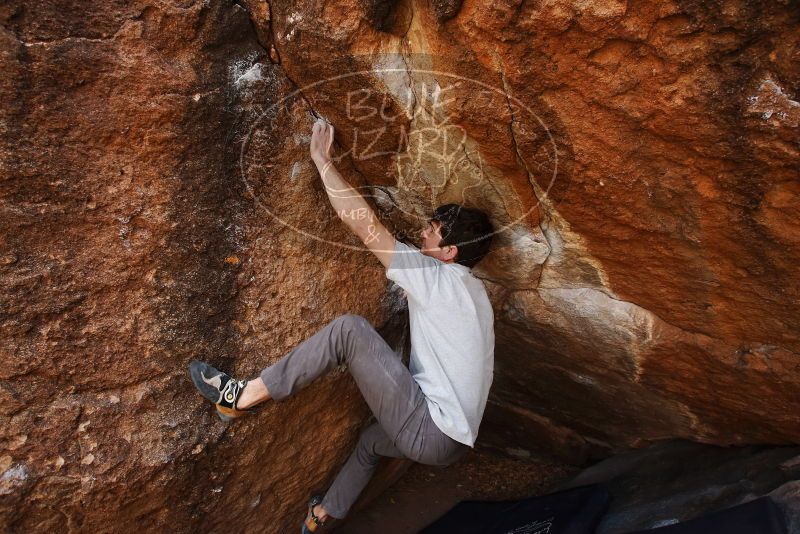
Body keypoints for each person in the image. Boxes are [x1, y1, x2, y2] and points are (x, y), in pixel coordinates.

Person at [189, 118, 495, 532]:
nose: (422, 234)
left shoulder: (435, 277)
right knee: (371, 442)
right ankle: (323, 515)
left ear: (449, 252)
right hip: (454, 444)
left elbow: (365, 225)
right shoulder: (476, 294)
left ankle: (241, 396)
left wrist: (322, 161)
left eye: (432, 232)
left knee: (348, 330)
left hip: (431, 431)